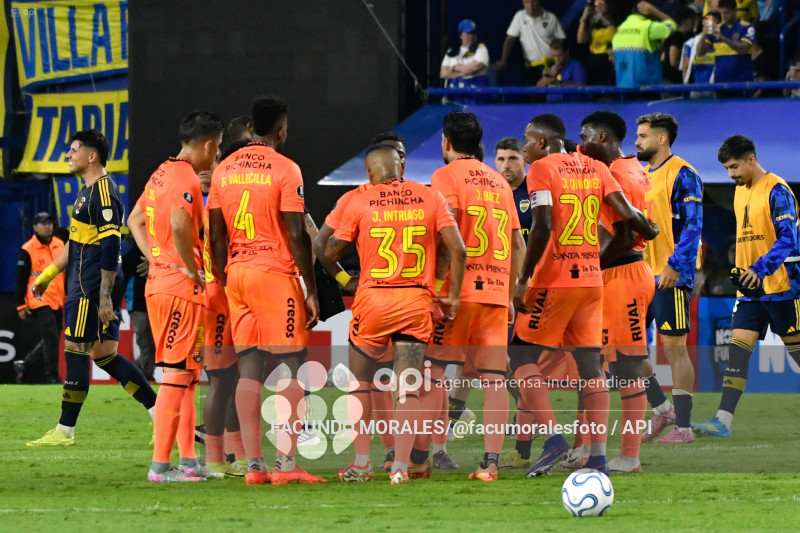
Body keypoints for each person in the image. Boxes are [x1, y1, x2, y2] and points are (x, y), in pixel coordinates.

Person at [510, 114, 658, 476]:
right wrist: (649, 230)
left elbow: (542, 225)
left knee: (519, 354)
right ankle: (597, 459)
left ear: (543, 142)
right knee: (593, 367)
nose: (524, 148)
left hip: (557, 278)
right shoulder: (595, 167)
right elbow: (629, 214)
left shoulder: (542, 168)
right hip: (593, 280)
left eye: (527, 141)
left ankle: (553, 439)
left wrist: (524, 279)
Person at [320, 144, 466, 484]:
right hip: (416, 301)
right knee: (409, 389)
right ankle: (401, 467)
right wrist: (453, 296)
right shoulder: (429, 196)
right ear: (401, 166)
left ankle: (361, 463)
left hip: (372, 300)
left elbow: (328, 251)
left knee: (361, 385)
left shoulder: (360, 200)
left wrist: (344, 277)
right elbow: (457, 247)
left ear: (370, 174)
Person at [208, 96, 324, 485]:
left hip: (237, 274)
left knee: (250, 369)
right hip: (274, 275)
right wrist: (309, 289)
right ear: (281, 130)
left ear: (251, 128)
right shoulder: (286, 168)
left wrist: (227, 280)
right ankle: (286, 466)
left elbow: (216, 236)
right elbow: (296, 233)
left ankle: (254, 466)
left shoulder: (223, 169)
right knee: (291, 368)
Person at [408, 111, 524, 482]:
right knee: (493, 380)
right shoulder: (500, 182)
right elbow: (518, 244)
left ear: (446, 142)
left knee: (432, 376)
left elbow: (448, 237)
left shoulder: (445, 176)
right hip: (494, 293)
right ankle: (488, 464)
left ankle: (420, 459)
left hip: (455, 295)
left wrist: (444, 288)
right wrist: (507, 294)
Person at [26, 130, 157, 447]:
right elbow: (75, 244)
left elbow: (112, 245)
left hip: (90, 285)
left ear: (92, 155)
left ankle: (65, 430)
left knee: (75, 348)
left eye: (73, 150)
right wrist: (45, 277)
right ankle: (161, 413)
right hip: (85, 283)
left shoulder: (103, 192)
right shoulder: (87, 192)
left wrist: (103, 298)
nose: (68, 155)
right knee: (104, 355)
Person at [129, 111, 223, 482]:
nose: (214, 159)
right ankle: (160, 467)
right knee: (175, 375)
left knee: (186, 375)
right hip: (178, 290)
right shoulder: (184, 177)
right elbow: (181, 222)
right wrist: (185, 264)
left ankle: (188, 461)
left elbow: (136, 219)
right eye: (216, 152)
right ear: (208, 145)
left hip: (163, 284)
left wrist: (155, 256)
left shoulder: (161, 172)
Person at [693, 136, 800, 437]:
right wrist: (743, 272)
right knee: (738, 353)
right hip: (751, 291)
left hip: (783, 287)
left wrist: (760, 268)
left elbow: (788, 239)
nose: (731, 174)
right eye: (727, 168)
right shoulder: (740, 192)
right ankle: (722, 422)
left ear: (751, 159)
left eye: (734, 166)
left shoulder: (777, 190)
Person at [580, 111, 655, 473]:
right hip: (622, 273)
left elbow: (625, 236)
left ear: (604, 137)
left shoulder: (619, 174)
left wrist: (591, 264)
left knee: (626, 368)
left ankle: (629, 455)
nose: (581, 144)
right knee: (599, 364)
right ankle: (588, 449)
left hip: (623, 273)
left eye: (586, 136)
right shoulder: (634, 168)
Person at [635, 113, 703, 444]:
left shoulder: (684, 174)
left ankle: (684, 428)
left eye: (643, 136)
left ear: (662, 139)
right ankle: (662, 409)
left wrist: (675, 265)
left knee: (673, 347)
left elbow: (694, 225)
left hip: (671, 273)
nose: (637, 141)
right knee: (628, 348)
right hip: (640, 273)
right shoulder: (643, 175)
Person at [14, 212, 65, 384]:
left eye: (50, 223)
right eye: (43, 223)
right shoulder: (28, 249)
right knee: (51, 336)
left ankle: (25, 364)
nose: (48, 226)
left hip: (58, 299)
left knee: (52, 338)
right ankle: (52, 376)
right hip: (38, 299)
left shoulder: (60, 245)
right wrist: (21, 304)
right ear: (35, 227)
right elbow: (20, 278)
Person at [494, 0, 566, 86]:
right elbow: (510, 39)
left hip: (553, 66)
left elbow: (562, 41)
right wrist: (503, 59)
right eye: (527, 2)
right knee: (535, 97)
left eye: (533, 2)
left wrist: (560, 61)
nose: (530, 5)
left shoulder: (551, 18)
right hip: (532, 68)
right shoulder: (520, 17)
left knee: (554, 95)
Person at [612, 1, 676, 88]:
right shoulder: (648, 27)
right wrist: (655, 11)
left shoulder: (620, 29)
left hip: (623, 86)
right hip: (646, 87)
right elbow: (673, 26)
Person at [121, 237, 155, 382]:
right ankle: (147, 376)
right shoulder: (131, 256)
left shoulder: (154, 253)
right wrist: (115, 305)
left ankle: (133, 371)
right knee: (145, 340)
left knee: (151, 343)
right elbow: (120, 281)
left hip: (154, 304)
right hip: (137, 306)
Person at [698, 0, 755, 85]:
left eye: (726, 13)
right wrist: (703, 34)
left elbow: (742, 49)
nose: (723, 16)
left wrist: (723, 38)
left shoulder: (747, 27)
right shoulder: (717, 29)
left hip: (742, 82)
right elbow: (700, 53)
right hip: (720, 82)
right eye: (721, 13)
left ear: (735, 10)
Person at [440, 19, 490, 103]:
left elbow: (473, 68)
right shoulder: (452, 51)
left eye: (473, 33)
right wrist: (462, 73)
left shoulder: (481, 48)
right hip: (456, 94)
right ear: (460, 35)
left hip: (476, 94)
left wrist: (454, 67)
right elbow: (444, 73)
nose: (472, 36)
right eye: (469, 33)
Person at [681, 11, 720, 98]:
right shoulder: (691, 43)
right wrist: (686, 88)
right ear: (703, 22)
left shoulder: (722, 41)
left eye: (713, 21)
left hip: (715, 88)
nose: (710, 24)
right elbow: (686, 67)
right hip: (696, 88)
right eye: (707, 21)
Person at [577, 0, 617, 86]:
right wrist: (583, 20)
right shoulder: (592, 22)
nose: (598, 6)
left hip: (610, 59)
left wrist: (603, 19)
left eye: (601, 3)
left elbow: (617, 35)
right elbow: (580, 40)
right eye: (596, 4)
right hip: (594, 59)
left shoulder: (615, 19)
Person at [662, 7, 700, 85]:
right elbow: (673, 61)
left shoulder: (689, 36)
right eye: (691, 20)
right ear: (683, 21)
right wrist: (686, 69)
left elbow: (662, 58)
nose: (693, 23)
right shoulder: (676, 38)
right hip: (672, 80)